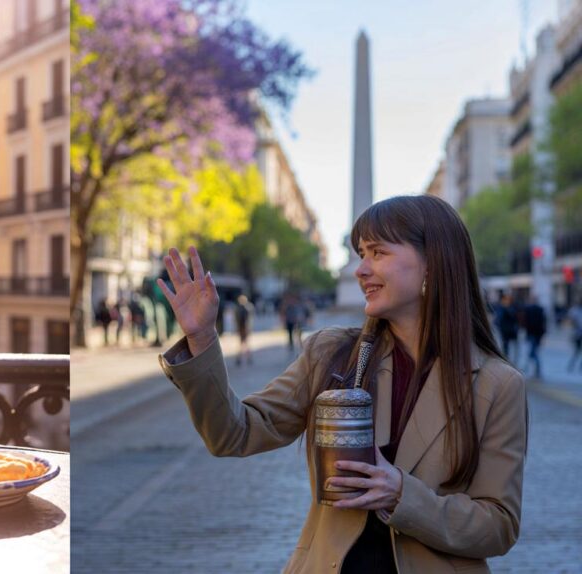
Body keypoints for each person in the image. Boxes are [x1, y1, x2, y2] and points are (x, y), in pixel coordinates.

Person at [156, 195, 526, 573]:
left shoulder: (498, 385)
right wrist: (202, 338)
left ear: (433, 262)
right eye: (361, 253)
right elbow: (234, 434)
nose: (359, 270)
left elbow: (498, 526)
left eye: (377, 253)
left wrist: (402, 494)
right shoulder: (332, 354)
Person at [522, 296, 547, 379]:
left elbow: (526, 322)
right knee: (533, 351)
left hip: (533, 334)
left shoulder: (529, 309)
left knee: (533, 352)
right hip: (537, 334)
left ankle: (533, 368)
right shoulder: (540, 309)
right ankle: (534, 369)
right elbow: (544, 322)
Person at [495, 294, 520, 363]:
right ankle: (506, 359)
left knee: (511, 346)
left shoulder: (512, 307)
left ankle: (510, 360)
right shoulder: (501, 308)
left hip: (510, 331)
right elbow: (498, 320)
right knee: (506, 346)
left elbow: (515, 318)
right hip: (505, 331)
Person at [234, 294, 255, 366]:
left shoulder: (238, 309)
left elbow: (237, 320)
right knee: (245, 344)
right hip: (244, 329)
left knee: (243, 344)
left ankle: (240, 358)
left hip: (242, 329)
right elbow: (249, 320)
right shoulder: (247, 308)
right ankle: (247, 358)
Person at [568, 299, 582, 372]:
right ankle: (571, 365)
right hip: (578, 334)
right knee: (577, 351)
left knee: (577, 351)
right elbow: (572, 321)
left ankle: (573, 365)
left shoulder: (574, 310)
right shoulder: (574, 310)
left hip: (578, 333)